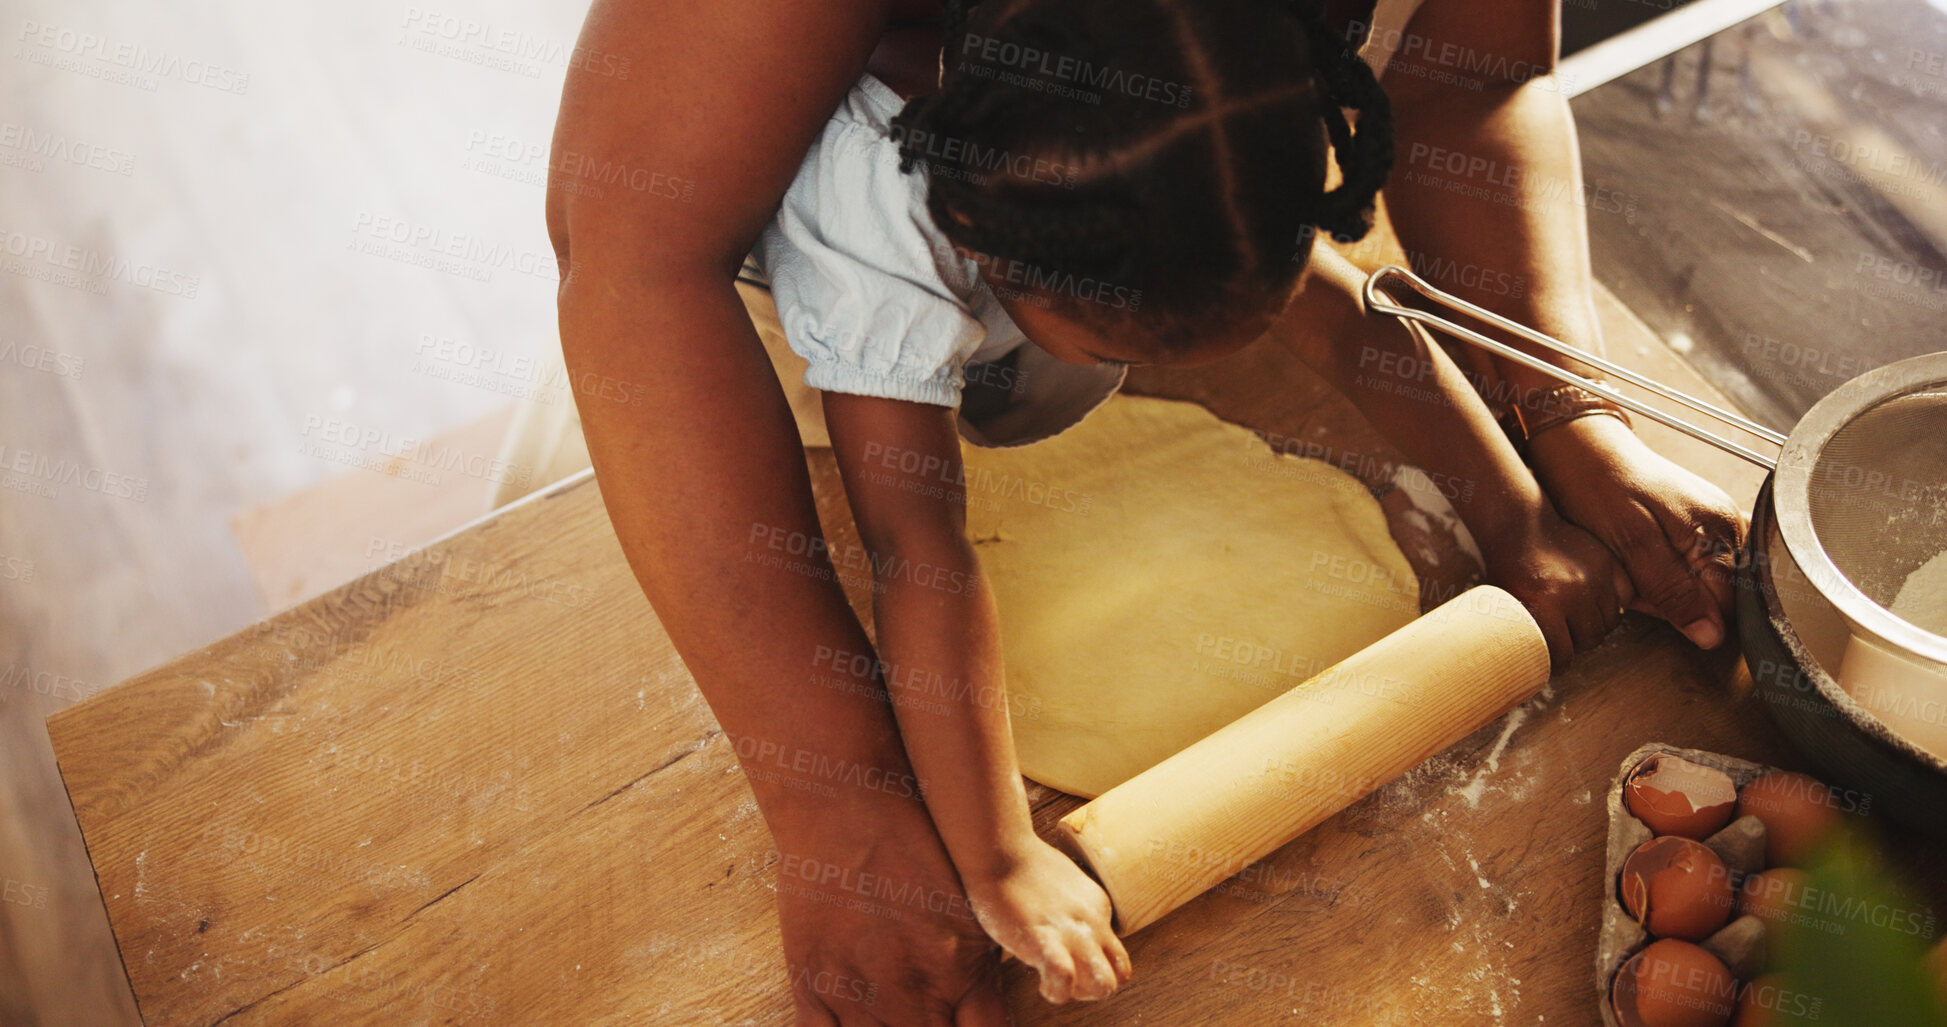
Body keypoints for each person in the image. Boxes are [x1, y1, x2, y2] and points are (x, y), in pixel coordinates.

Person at [545, 0, 1747, 1022]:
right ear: (995, 270)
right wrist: (964, 847)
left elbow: (1358, 287)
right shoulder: (885, 266)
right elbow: (918, 545)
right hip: (765, 356)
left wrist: (1538, 478)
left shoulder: (1180, 131)